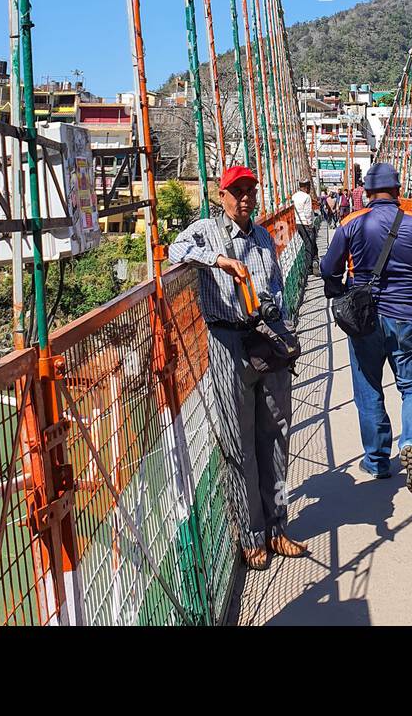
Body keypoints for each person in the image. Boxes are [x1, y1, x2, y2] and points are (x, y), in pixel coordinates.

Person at [168, 165, 307, 569]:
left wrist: (276, 311)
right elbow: (174, 251)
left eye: (250, 190)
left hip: (268, 339)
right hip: (228, 341)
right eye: (237, 191)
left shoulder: (264, 235)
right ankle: (251, 535)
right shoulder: (206, 230)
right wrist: (217, 262)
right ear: (222, 195)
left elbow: (277, 283)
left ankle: (278, 527)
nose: (245, 197)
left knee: (277, 433)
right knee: (238, 442)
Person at [320, 161, 412, 494]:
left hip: (364, 321)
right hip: (406, 318)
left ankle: (376, 461)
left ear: (366, 193)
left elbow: (327, 267)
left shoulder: (351, 223)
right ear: (399, 190)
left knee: (368, 388)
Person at [292, 177, 318, 273]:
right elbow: (307, 213)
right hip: (306, 224)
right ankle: (309, 267)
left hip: (298, 223)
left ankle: (311, 264)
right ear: (307, 186)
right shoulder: (307, 197)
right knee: (310, 245)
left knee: (308, 244)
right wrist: (310, 225)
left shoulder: (294, 196)